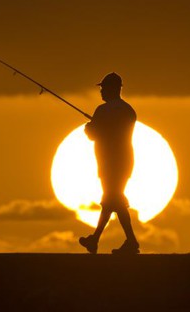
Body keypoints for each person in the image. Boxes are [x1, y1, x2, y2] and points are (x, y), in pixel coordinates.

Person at [79, 72, 140, 254]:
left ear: (113, 89)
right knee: (111, 200)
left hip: (110, 163)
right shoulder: (129, 111)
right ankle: (97, 240)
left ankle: (129, 242)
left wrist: (89, 128)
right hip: (124, 161)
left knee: (113, 199)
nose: (101, 92)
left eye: (104, 88)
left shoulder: (103, 111)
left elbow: (94, 135)